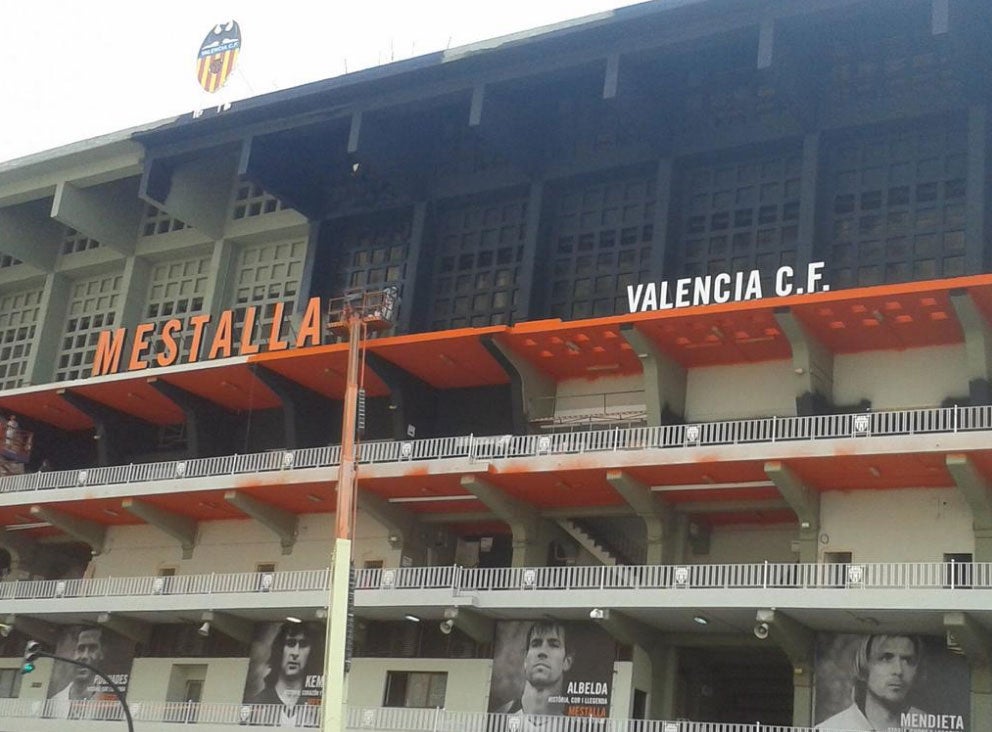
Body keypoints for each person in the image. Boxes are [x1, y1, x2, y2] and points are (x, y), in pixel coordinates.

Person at [816, 634, 926, 730]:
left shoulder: (927, 726)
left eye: (908, 660)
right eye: (886, 658)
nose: (898, 670)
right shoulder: (831, 728)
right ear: (864, 666)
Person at [497, 620, 574, 719]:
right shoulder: (499, 716)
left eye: (554, 645)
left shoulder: (576, 724)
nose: (542, 652)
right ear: (525, 659)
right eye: (536, 644)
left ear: (567, 662)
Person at [250, 622, 321, 727]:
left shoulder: (316, 704)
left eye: (303, 645)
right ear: (279, 650)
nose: (295, 653)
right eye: (290, 643)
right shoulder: (259, 701)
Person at [48, 627, 106, 719]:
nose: (84, 656)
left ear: (101, 654)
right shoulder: (55, 701)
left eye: (92, 649)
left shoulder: (108, 700)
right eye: (81, 649)